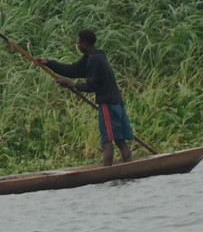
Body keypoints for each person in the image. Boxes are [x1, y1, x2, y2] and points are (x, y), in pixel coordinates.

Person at [39, 29, 134, 166]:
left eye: (78, 42)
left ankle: (107, 173)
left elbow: (91, 86)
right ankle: (128, 167)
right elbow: (72, 70)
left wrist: (71, 84)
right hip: (116, 102)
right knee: (119, 140)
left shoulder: (94, 60)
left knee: (107, 140)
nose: (77, 45)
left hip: (108, 104)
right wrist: (49, 63)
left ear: (85, 43)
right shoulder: (94, 55)